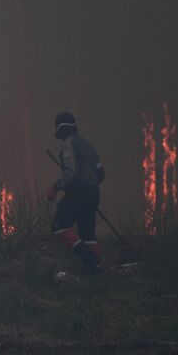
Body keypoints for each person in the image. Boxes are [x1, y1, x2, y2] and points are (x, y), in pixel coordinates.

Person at [47, 112, 105, 272]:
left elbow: (72, 172)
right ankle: (96, 267)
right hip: (93, 192)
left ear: (61, 129)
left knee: (59, 226)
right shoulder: (87, 144)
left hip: (78, 193)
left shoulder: (68, 144)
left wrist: (56, 187)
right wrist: (91, 186)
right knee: (87, 232)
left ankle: (89, 259)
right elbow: (100, 172)